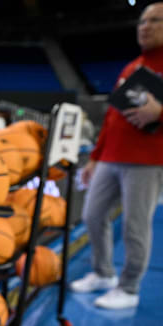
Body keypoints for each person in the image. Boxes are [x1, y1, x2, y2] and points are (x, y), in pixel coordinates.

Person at [71, 2, 163, 309]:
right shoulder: (131, 67)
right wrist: (96, 156)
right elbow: (112, 117)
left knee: (135, 226)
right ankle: (103, 273)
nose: (144, 27)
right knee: (92, 215)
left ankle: (130, 288)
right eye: (142, 21)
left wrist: (160, 112)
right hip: (111, 158)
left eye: (154, 21)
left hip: (147, 162)